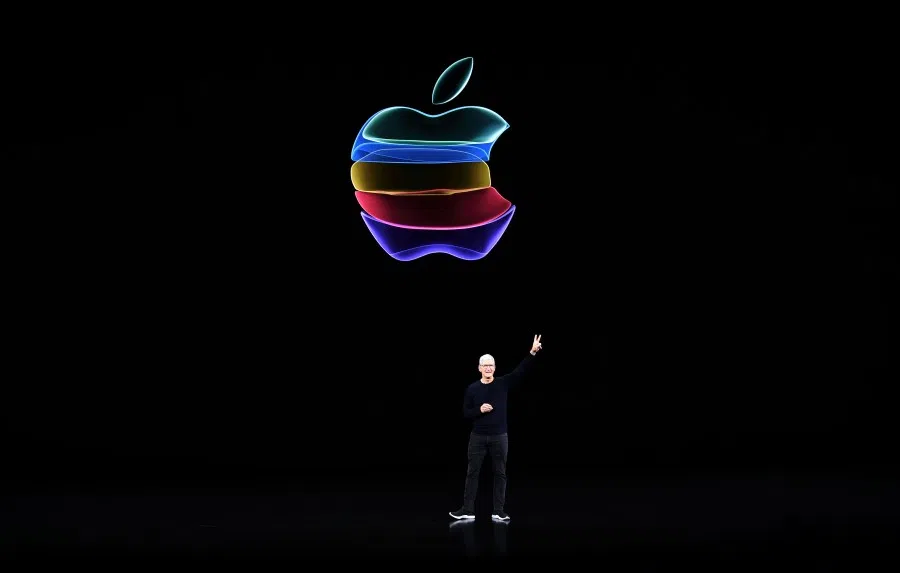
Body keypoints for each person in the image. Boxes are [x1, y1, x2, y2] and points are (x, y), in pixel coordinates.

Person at [449, 334, 542, 521]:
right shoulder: (472, 388)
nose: (488, 368)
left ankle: (498, 511)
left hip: (499, 436)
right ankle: (467, 510)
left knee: (500, 473)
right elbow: (466, 412)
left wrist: (532, 352)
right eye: (485, 365)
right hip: (477, 437)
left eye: (491, 365)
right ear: (479, 368)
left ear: (494, 367)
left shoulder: (502, 383)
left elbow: (520, 372)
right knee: (472, 473)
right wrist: (479, 409)